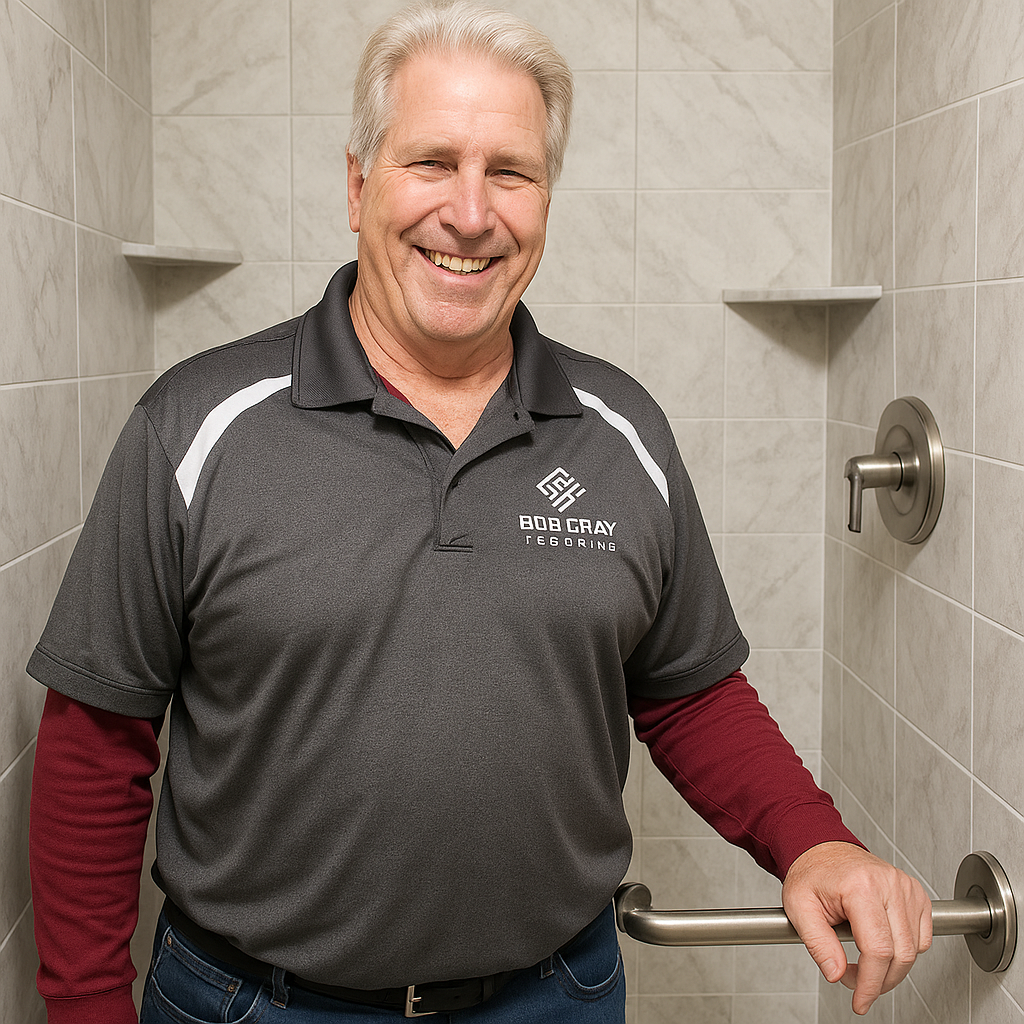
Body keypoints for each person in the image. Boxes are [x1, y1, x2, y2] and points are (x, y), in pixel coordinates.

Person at [27, 2, 931, 1021]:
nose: (469, 212)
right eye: (430, 164)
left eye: (510, 172)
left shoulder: (619, 428)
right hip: (253, 1001)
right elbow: (97, 743)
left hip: (556, 995)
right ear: (358, 185)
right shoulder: (196, 425)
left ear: (546, 198)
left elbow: (687, 690)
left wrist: (813, 838)